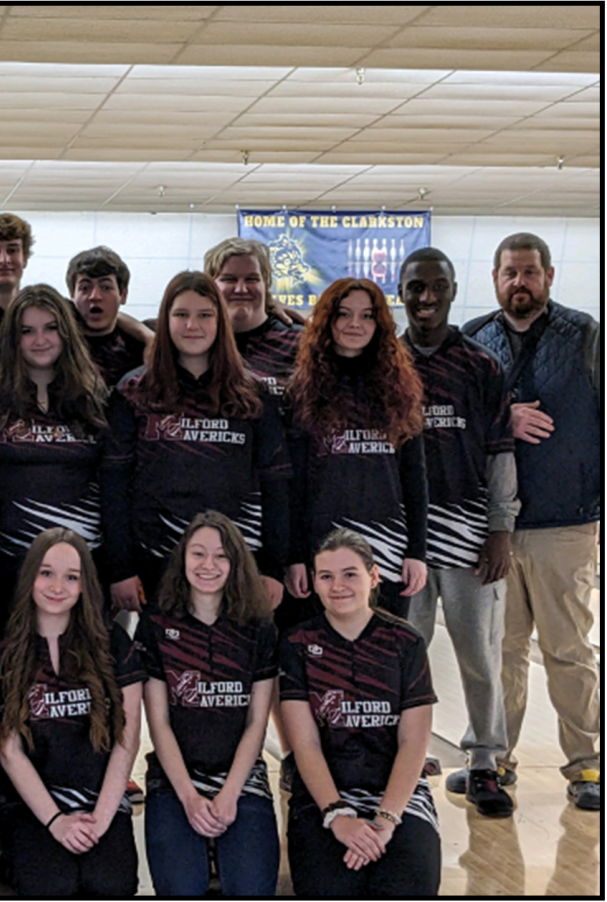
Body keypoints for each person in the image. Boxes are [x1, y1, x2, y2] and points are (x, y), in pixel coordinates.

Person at [463, 232, 600, 811]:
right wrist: (503, 416)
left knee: (568, 649)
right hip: (492, 526)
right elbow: (453, 420)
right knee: (500, 650)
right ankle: (496, 760)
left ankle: (588, 764)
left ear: (548, 276)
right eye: (510, 273)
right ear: (495, 279)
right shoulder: (472, 340)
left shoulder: (586, 336)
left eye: (530, 272)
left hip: (563, 522)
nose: (520, 282)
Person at [397, 248, 518, 818]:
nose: (426, 298)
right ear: (400, 290)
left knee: (479, 653)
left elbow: (499, 452)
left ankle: (486, 762)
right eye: (415, 287)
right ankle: (406, 753)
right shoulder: (383, 363)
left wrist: (501, 528)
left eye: (436, 286)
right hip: (402, 540)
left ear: (451, 290)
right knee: (404, 655)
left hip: (469, 535)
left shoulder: (481, 365)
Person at [103, 271, 291, 613]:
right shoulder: (133, 392)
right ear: (165, 319)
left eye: (205, 314)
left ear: (220, 320)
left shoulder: (255, 394)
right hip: (156, 562)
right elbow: (114, 486)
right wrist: (121, 568)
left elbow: (277, 485)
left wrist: (274, 567)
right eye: (181, 315)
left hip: (238, 561)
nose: (193, 325)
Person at [280, 529, 441, 896]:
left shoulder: (406, 642)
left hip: (398, 796)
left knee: (406, 885)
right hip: (325, 795)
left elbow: (414, 741)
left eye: (350, 574)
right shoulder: (297, 644)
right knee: (332, 887)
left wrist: (386, 820)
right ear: (315, 584)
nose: (338, 586)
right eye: (326, 576)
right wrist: (337, 815)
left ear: (373, 577)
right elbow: (304, 745)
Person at [0, 285, 110, 645]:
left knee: (76, 675)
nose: (40, 339)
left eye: (50, 328)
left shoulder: (93, 392)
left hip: (79, 569)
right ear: (11, 336)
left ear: (66, 332)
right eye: (27, 330)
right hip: (2, 568)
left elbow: (111, 483)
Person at [137, 511, 280, 896]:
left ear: (236, 564)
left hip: (241, 777)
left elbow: (256, 724)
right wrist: (188, 796)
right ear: (182, 559)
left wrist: (231, 792)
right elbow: (159, 724)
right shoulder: (157, 622)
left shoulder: (259, 626)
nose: (208, 565)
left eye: (220, 556)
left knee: (251, 888)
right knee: (182, 888)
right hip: (175, 778)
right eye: (198, 554)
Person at [0, 528, 144, 896]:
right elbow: (9, 750)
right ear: (29, 576)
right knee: (52, 884)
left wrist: (102, 818)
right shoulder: (4, 651)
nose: (57, 586)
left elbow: (127, 737)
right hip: (36, 805)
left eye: (71, 577)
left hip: (100, 800)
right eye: (46, 573)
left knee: (111, 884)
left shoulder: (113, 643)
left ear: (84, 585)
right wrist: (56, 821)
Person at [284, 278, 428, 621]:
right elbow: (292, 483)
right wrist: (293, 555)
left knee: (382, 658)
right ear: (326, 321)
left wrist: (417, 551)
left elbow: (415, 477)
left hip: (387, 549)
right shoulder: (302, 391)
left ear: (380, 324)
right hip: (321, 549)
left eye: (366, 316)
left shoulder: (402, 391)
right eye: (344, 314)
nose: (354, 324)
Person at [203, 237, 302, 397]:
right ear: (210, 286)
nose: (241, 289)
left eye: (251, 279)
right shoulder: (193, 340)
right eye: (229, 279)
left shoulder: (299, 343)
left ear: (266, 284)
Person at [65, 246, 148, 388]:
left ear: (123, 295)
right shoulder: (60, 344)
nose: (95, 296)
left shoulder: (140, 346)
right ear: (72, 294)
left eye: (106, 287)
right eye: (85, 288)